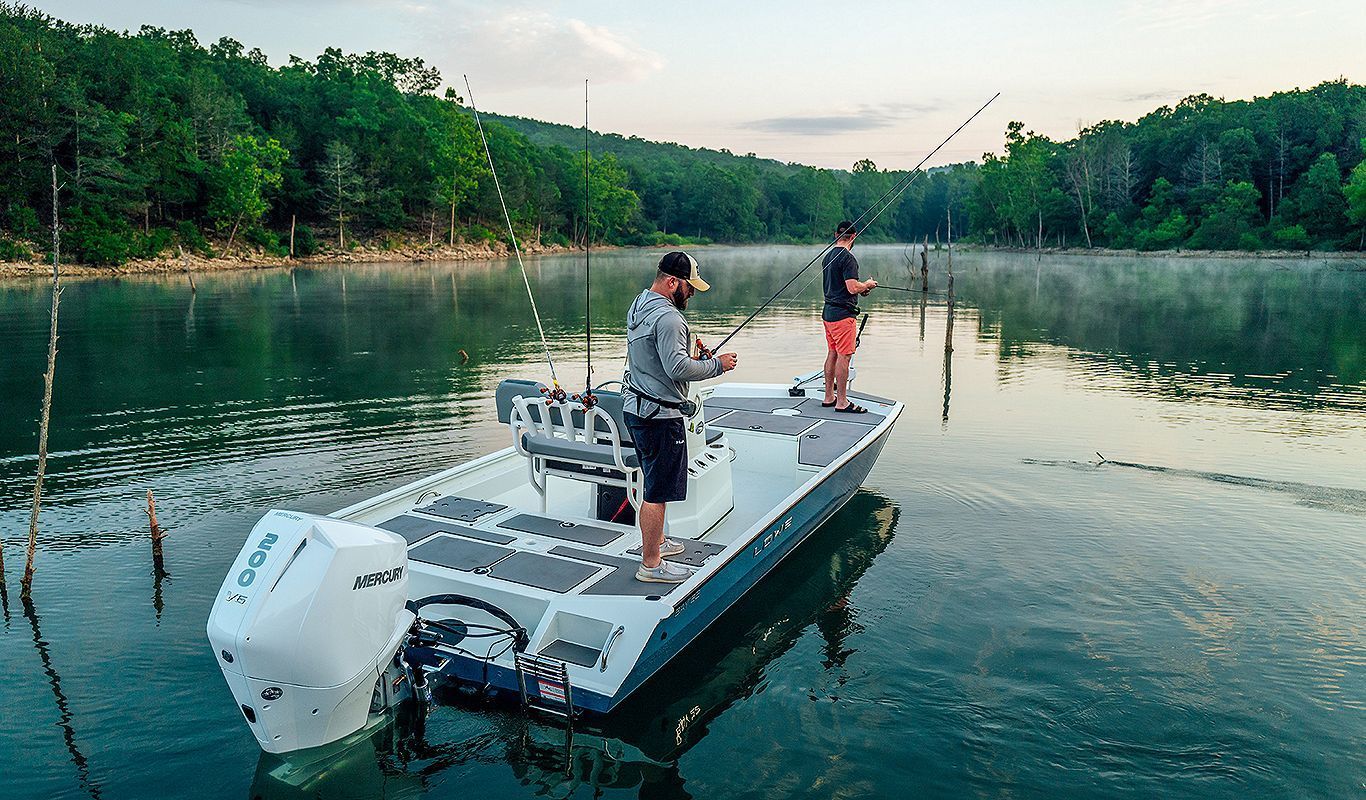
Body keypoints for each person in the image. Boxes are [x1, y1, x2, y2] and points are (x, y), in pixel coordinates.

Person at [623, 252, 738, 583]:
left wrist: (691, 355)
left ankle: (656, 541)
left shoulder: (640, 305)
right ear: (672, 281)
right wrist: (718, 364)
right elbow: (676, 368)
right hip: (659, 416)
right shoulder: (672, 320)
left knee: (652, 480)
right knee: (657, 491)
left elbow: (657, 357)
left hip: (635, 408)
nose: (692, 293)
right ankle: (651, 564)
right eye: (689, 287)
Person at [821, 221, 877, 413]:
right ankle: (842, 402)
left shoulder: (827, 256)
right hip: (843, 316)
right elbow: (852, 287)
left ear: (836, 234)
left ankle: (829, 397)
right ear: (853, 237)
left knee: (832, 353)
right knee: (844, 357)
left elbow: (843, 287)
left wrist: (860, 289)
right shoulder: (848, 258)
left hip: (828, 313)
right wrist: (867, 285)